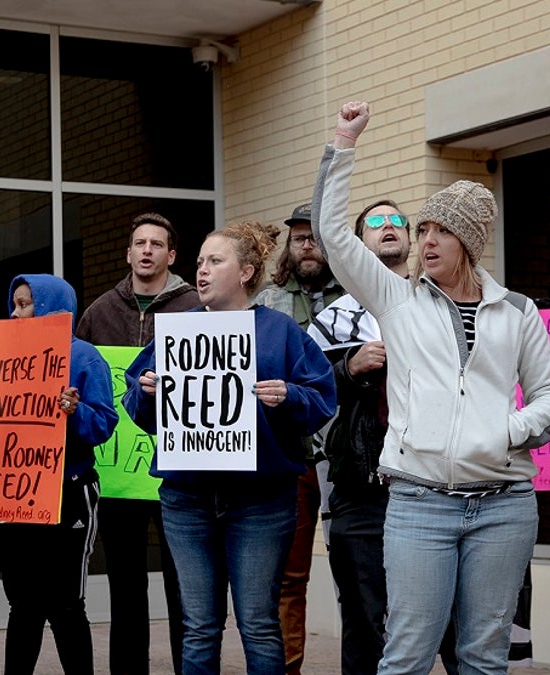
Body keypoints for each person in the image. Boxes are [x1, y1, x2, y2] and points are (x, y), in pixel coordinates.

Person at [316, 101, 550, 675]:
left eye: (441, 230)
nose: (425, 240)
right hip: (418, 504)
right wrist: (344, 143)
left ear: (469, 242)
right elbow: (332, 234)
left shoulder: (518, 312)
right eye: (421, 228)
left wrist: (510, 429)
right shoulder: (396, 299)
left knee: (483, 657)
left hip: (504, 506)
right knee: (405, 656)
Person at [122, 221, 335, 674]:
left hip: (261, 501)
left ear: (246, 273)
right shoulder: (177, 332)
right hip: (187, 500)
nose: (201, 271)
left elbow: (321, 401)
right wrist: (144, 393)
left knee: (258, 622)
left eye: (214, 261)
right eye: (199, 262)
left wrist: (289, 396)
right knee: (199, 625)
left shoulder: (280, 331)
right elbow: (137, 410)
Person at [74, 212, 199, 674]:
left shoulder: (196, 308)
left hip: (180, 471)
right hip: (117, 475)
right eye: (139, 243)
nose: (147, 250)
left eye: (156, 244)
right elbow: (82, 380)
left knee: (184, 583)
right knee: (126, 584)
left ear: (171, 255)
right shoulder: (99, 312)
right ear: (128, 254)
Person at [0, 274, 117, 675]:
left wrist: (74, 411)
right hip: (16, 494)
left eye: (25, 303)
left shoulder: (84, 358)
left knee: (65, 604)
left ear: (51, 306)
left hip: (68, 492)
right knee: (23, 605)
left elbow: (102, 425)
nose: (15, 313)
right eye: (14, 303)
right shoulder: (1, 357)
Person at [307, 199, 410, 674]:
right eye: (376, 222)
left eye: (397, 222)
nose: (388, 228)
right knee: (365, 618)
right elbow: (306, 394)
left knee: (443, 620)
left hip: (430, 484)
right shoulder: (331, 321)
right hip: (362, 487)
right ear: (358, 241)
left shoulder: (437, 305)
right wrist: (348, 369)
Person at [252, 202, 345, 674]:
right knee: (288, 578)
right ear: (287, 247)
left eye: (315, 237)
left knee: (355, 576)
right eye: (298, 237)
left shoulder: (356, 297)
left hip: (346, 453)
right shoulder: (266, 302)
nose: (306, 245)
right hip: (290, 456)